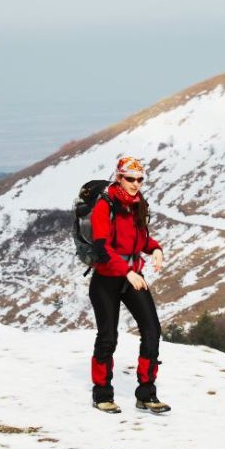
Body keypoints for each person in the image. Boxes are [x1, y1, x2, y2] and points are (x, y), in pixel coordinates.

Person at [89, 156, 170, 414]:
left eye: (140, 179)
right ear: (119, 177)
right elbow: (103, 248)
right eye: (130, 179)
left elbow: (140, 239)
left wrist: (155, 249)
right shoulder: (106, 205)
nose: (136, 184)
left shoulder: (137, 204)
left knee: (152, 331)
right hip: (107, 279)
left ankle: (146, 394)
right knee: (108, 337)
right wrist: (126, 271)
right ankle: (102, 394)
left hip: (132, 276)